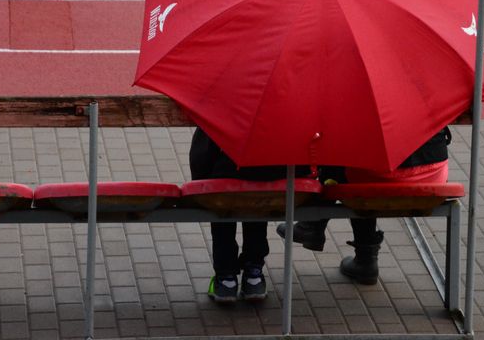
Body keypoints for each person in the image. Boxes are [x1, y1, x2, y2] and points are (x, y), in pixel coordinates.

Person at [277, 127, 451, 285]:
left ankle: (316, 226)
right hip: (432, 178)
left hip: (371, 180)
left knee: (343, 155)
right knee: (363, 161)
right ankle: (363, 258)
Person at [190, 127, 312, 303]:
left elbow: (201, 155)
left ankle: (225, 278)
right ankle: (253, 274)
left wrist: (200, 181)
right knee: (257, 202)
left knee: (222, 206)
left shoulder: (223, 112)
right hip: (274, 184)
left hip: (225, 184)